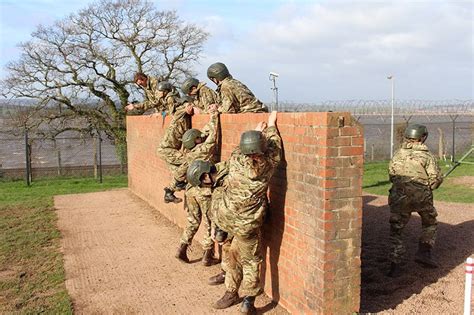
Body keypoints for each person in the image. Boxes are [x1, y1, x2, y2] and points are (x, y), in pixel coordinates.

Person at [211, 111, 282, 314]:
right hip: (247, 225)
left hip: (226, 218)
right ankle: (248, 303)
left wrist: (255, 131)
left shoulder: (236, 158)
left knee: (231, 256)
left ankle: (230, 293)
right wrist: (270, 125)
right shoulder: (269, 163)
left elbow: (240, 148)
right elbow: (274, 144)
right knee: (251, 261)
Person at [387, 124, 443, 277]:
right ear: (423, 137)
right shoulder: (428, 156)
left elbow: (392, 175)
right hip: (422, 198)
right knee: (430, 223)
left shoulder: (398, 154)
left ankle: (394, 264)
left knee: (396, 229)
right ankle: (424, 253)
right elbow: (435, 180)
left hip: (399, 197)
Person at [175, 104, 220, 265]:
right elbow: (213, 137)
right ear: (197, 140)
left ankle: (182, 247)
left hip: (190, 191)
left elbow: (179, 174)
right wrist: (214, 115)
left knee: (193, 221)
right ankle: (207, 255)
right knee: (209, 222)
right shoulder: (203, 150)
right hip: (204, 192)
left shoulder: (188, 154)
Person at [156, 94, 192, 203]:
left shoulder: (183, 118)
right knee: (189, 161)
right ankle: (174, 188)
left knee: (178, 174)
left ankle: (169, 193)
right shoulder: (180, 112)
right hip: (166, 150)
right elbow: (188, 109)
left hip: (168, 150)